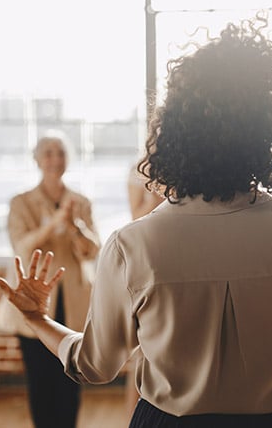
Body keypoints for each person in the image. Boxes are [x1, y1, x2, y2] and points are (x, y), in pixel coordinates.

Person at [0, 18, 272, 428]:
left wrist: (37, 318)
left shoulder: (132, 245)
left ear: (170, 139)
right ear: (269, 138)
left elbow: (95, 365)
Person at [4, 131, 100, 428]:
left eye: (60, 152)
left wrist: (76, 227)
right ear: (37, 160)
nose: (55, 159)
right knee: (40, 381)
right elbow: (21, 245)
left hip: (72, 302)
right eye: (48, 153)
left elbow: (92, 251)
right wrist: (54, 224)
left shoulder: (80, 202)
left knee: (71, 377)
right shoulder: (21, 202)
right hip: (33, 300)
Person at [123, 165, 165, 421]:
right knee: (141, 349)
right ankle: (133, 418)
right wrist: (155, 198)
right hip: (148, 255)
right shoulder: (140, 169)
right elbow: (135, 217)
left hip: (183, 250)